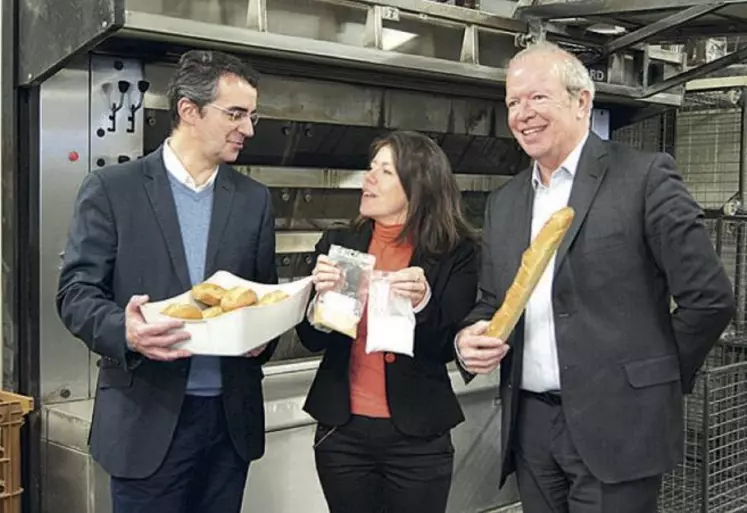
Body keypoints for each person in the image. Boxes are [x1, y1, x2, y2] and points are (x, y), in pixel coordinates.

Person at [455, 41, 736, 513]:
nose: (523, 113)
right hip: (531, 428)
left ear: (581, 101)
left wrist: (651, 379)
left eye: (538, 97)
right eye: (513, 102)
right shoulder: (505, 203)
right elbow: (492, 298)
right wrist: (469, 335)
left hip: (619, 426)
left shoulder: (643, 177)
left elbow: (708, 300)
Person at [56, 50, 277, 513]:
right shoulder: (113, 189)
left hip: (228, 423)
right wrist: (127, 331)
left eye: (252, 116)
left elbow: (262, 295)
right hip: (146, 419)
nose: (249, 129)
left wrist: (264, 333)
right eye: (235, 114)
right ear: (189, 111)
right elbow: (76, 293)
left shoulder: (254, 201)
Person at [295, 130, 478, 513]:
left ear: (419, 185)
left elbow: (449, 347)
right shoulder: (339, 241)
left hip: (418, 439)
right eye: (370, 168)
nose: (369, 178)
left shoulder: (455, 251)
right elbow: (311, 339)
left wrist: (423, 303)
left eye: (385, 171)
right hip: (342, 434)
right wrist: (318, 306)